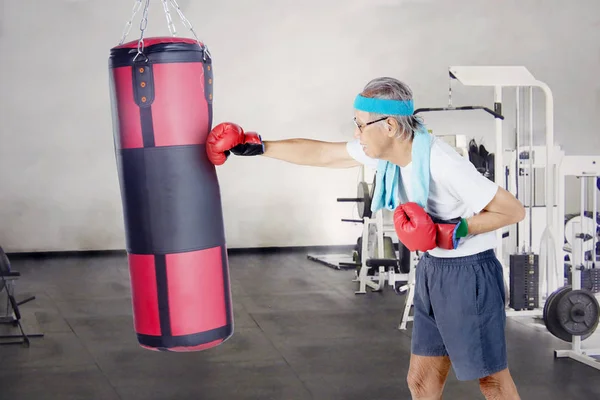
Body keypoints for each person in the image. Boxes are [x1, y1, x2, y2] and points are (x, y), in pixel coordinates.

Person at [205, 77, 525, 400]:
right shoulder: (386, 154)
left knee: (492, 382)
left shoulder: (443, 164)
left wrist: (459, 230)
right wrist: (260, 146)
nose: (356, 134)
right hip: (433, 271)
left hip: (470, 274)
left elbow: (513, 211)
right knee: (421, 381)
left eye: (360, 125)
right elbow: (322, 154)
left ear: (388, 126)